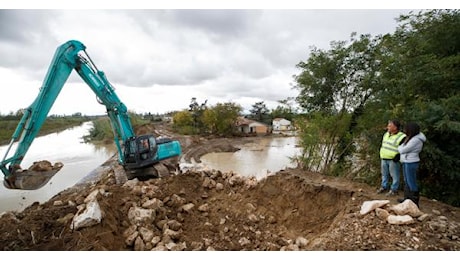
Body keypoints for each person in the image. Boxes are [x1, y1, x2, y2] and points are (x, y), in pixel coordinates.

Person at [397, 122, 426, 207]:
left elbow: (402, 150)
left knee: (411, 182)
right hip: (406, 161)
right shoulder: (410, 138)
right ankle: (407, 199)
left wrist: (399, 147)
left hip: (411, 162)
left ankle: (414, 202)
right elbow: (403, 147)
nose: (404, 130)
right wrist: (401, 147)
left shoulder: (416, 140)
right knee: (407, 181)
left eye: (406, 129)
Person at [377, 120, 406, 196]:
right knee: (384, 174)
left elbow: (405, 148)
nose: (388, 127)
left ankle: (394, 189)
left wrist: (398, 156)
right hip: (384, 157)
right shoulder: (386, 134)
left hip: (393, 159)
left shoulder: (402, 136)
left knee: (395, 175)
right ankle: (384, 186)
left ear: (395, 127)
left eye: (390, 126)